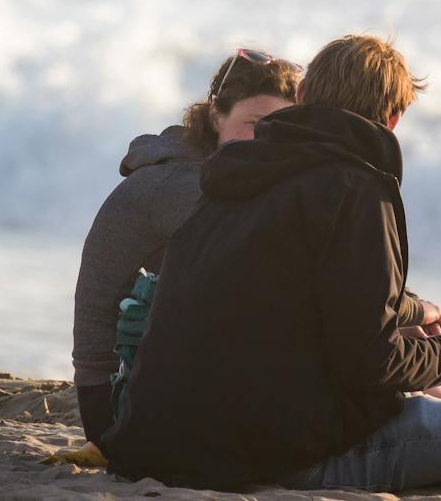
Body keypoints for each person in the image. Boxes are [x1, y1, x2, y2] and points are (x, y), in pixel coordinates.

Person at [100, 34, 441, 492]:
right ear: (392, 118)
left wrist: (411, 310)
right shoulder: (356, 187)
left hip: (155, 447)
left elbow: (297, 292)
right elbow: (370, 363)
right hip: (275, 461)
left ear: (306, 96)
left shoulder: (231, 177)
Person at [70, 48, 302, 444]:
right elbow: (286, 261)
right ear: (216, 116)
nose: (267, 137)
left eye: (281, 125)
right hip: (116, 404)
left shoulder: (222, 173)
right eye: (254, 123)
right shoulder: (180, 185)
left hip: (153, 385)